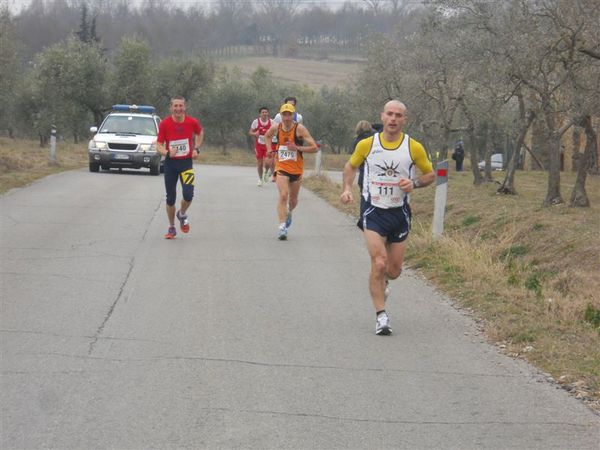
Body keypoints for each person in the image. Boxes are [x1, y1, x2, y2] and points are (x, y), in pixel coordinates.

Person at [340, 100, 435, 335]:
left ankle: (385, 282)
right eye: (390, 114)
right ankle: (381, 316)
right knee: (379, 262)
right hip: (373, 211)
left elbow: (431, 174)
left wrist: (413, 183)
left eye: (398, 115)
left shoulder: (414, 147)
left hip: (399, 213)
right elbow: (350, 167)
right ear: (382, 117)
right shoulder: (367, 144)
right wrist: (347, 189)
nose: (393, 119)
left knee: (393, 270)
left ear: (404, 120)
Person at [265, 103, 318, 240]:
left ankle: (289, 211)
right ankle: (282, 227)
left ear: (293, 116)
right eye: (284, 114)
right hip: (281, 166)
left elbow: (314, 148)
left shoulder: (299, 129)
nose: (287, 118)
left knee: (293, 200)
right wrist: (270, 149)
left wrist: (297, 148)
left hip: (297, 169)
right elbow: (267, 136)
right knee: (283, 195)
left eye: (289, 115)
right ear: (281, 115)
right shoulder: (276, 127)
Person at [156, 96, 203, 239]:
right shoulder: (165, 124)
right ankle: (171, 227)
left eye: (180, 106)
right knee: (170, 198)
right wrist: (167, 152)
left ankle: (181, 214)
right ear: (171, 107)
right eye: (175, 106)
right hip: (170, 165)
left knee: (188, 195)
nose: (178, 109)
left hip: (186, 164)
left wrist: (196, 149)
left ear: (185, 107)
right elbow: (158, 144)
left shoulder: (192, 122)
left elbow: (200, 133)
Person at [248, 106, 272, 186]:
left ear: (268, 113)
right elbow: (250, 132)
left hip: (268, 145)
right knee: (260, 163)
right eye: (263, 112)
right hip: (259, 145)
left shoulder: (271, 122)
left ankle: (266, 172)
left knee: (268, 163)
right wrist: (255, 133)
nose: (264, 114)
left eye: (266, 112)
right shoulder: (256, 122)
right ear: (260, 114)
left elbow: (276, 132)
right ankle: (260, 179)